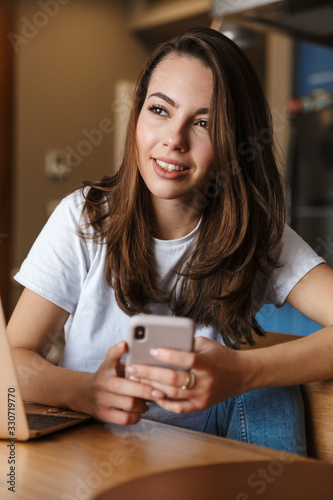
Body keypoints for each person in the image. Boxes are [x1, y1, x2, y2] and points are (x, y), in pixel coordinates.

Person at [8, 27, 333, 456]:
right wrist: (87, 391)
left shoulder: (254, 234)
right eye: (160, 110)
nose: (174, 140)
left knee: (267, 393)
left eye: (203, 123)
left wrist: (242, 372)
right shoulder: (83, 217)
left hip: (202, 450)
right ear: (138, 114)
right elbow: (14, 358)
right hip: (91, 445)